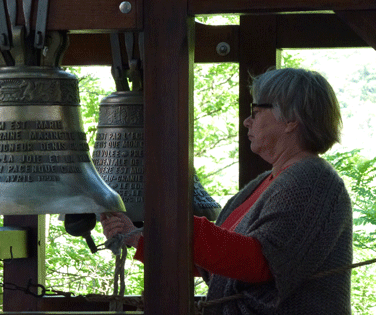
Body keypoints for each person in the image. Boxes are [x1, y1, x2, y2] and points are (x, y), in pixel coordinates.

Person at [101, 68, 353, 314]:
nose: (247, 120)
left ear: (290, 120)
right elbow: (220, 267)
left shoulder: (312, 180)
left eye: (256, 111)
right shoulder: (269, 181)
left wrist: (172, 227)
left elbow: (259, 263)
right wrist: (140, 237)